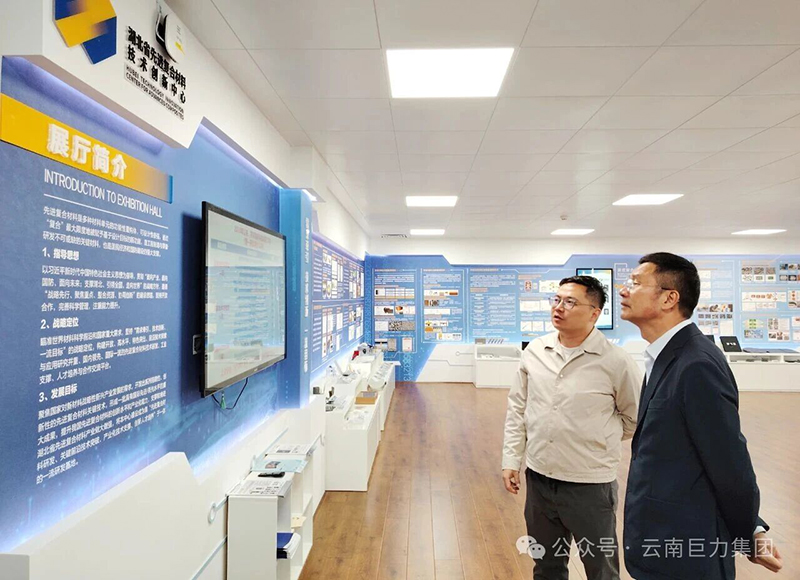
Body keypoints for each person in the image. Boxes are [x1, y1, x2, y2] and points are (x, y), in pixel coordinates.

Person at [620, 252, 783, 579]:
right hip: (661, 541)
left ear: (669, 298)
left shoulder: (696, 364)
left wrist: (748, 531)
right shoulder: (666, 356)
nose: (624, 290)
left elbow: (729, 462)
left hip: (686, 554)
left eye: (635, 283)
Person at [502, 276, 641, 580]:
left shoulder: (616, 361)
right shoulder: (535, 351)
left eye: (570, 302)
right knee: (546, 566)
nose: (559, 307)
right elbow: (518, 409)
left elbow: (634, 417)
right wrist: (511, 459)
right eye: (556, 300)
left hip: (589, 484)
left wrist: (596, 438)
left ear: (594, 313)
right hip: (539, 478)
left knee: (601, 569)